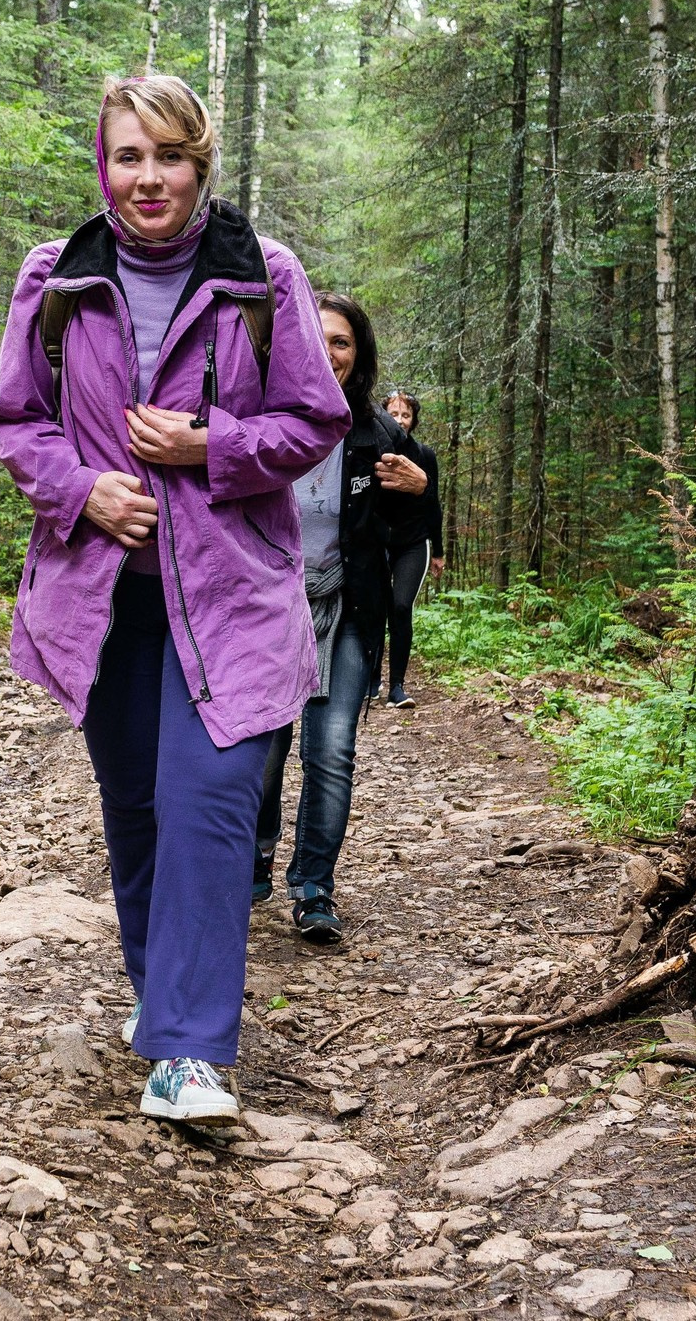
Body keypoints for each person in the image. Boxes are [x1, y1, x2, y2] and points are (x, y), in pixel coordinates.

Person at [0, 73, 349, 1123]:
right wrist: (79, 488)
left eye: (168, 156)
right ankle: (164, 1009)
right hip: (104, 602)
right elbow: (14, 419)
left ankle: (191, 1051)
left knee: (209, 803)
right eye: (127, 155)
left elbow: (313, 420)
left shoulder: (261, 275)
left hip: (231, 594)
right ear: (102, 163)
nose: (147, 177)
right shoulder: (55, 277)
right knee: (137, 813)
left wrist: (212, 444)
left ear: (202, 164)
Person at [254, 295, 430, 945]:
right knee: (265, 750)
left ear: (360, 357)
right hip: (270, 608)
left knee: (331, 752)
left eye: (343, 342)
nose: (328, 351)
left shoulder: (379, 434)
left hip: (352, 609)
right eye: (316, 336)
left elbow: (419, 514)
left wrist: (420, 492)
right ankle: (257, 854)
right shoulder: (261, 416)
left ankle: (314, 887)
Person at [378, 390, 444, 708]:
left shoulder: (425, 455)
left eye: (406, 415)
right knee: (374, 608)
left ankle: (397, 688)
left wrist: (440, 551)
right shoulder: (373, 450)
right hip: (377, 543)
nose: (400, 420)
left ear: (414, 420)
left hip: (414, 544)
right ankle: (369, 679)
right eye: (394, 414)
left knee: (401, 607)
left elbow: (434, 506)